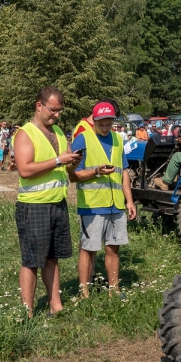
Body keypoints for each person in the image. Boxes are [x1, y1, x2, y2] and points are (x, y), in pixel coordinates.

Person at [14, 86, 82, 316]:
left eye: (60, 110)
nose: (57, 114)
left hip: (57, 204)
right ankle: (27, 312)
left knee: (53, 259)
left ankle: (56, 306)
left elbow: (66, 164)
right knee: (32, 260)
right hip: (34, 205)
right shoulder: (25, 133)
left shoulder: (60, 133)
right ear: (39, 105)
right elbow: (24, 169)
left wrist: (72, 161)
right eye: (53, 110)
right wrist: (58, 160)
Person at [72, 101, 137, 297]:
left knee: (113, 249)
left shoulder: (118, 139)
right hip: (92, 206)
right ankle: (84, 292)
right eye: (102, 125)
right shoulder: (82, 139)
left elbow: (123, 171)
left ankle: (114, 289)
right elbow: (73, 175)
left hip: (115, 205)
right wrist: (96, 172)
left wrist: (130, 201)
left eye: (109, 124)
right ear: (94, 121)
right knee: (88, 249)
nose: (106, 128)